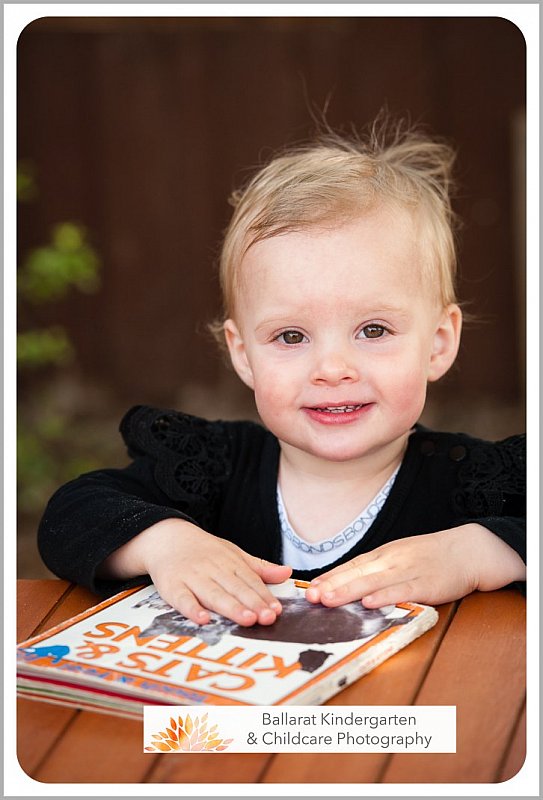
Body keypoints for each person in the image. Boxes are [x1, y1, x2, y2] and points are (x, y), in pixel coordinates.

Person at [37, 118, 526, 628]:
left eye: (374, 330)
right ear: (243, 353)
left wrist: (477, 553)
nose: (332, 369)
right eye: (291, 337)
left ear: (439, 343)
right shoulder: (215, 470)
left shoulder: (474, 483)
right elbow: (70, 516)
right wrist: (164, 542)